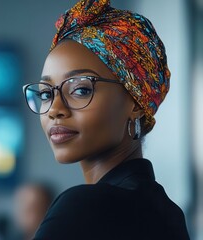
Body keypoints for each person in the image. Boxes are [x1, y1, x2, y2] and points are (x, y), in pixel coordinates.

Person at [22, 0, 190, 239]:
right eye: (46, 94)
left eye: (81, 89)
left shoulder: (84, 207)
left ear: (134, 101)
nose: (54, 109)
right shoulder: (168, 213)